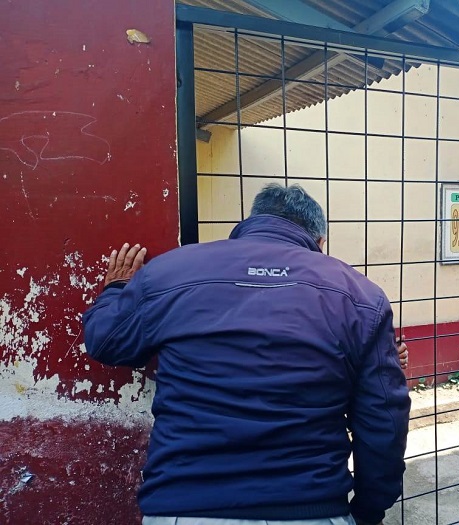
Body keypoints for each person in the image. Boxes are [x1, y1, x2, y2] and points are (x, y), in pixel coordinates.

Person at [83, 183, 411, 525]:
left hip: (183, 505)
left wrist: (117, 287)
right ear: (320, 243)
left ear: (248, 224)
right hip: (310, 505)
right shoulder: (360, 295)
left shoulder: (168, 272)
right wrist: (370, 507)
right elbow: (384, 418)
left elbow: (106, 341)